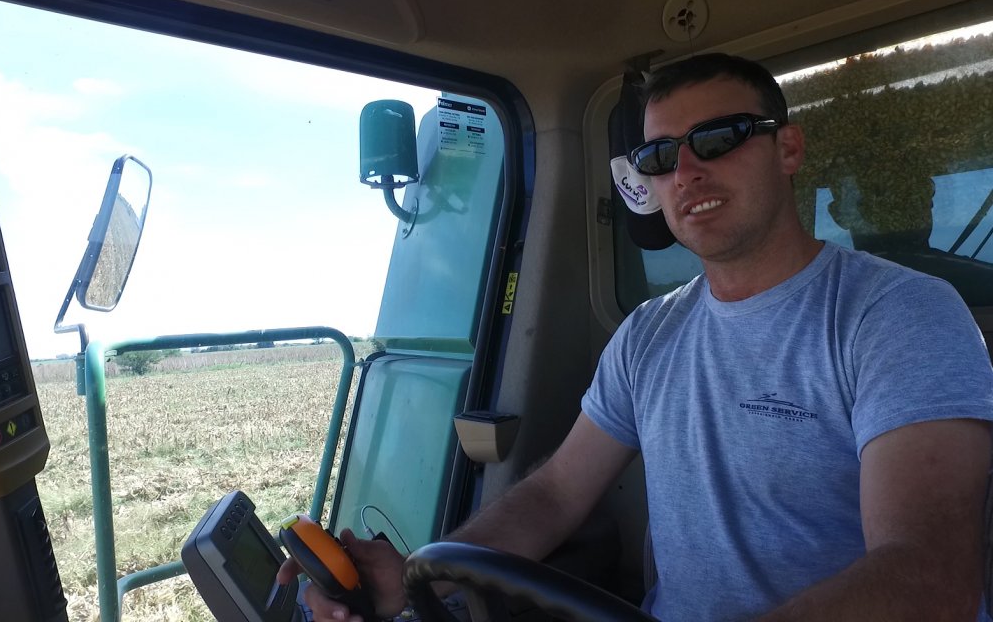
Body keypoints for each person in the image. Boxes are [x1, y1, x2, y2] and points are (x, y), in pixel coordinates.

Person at [279, 53, 993, 621]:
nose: (685, 173)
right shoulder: (649, 335)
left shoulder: (898, 317)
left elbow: (926, 579)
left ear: (788, 149)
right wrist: (414, 574)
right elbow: (556, 494)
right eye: (658, 157)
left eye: (717, 139)